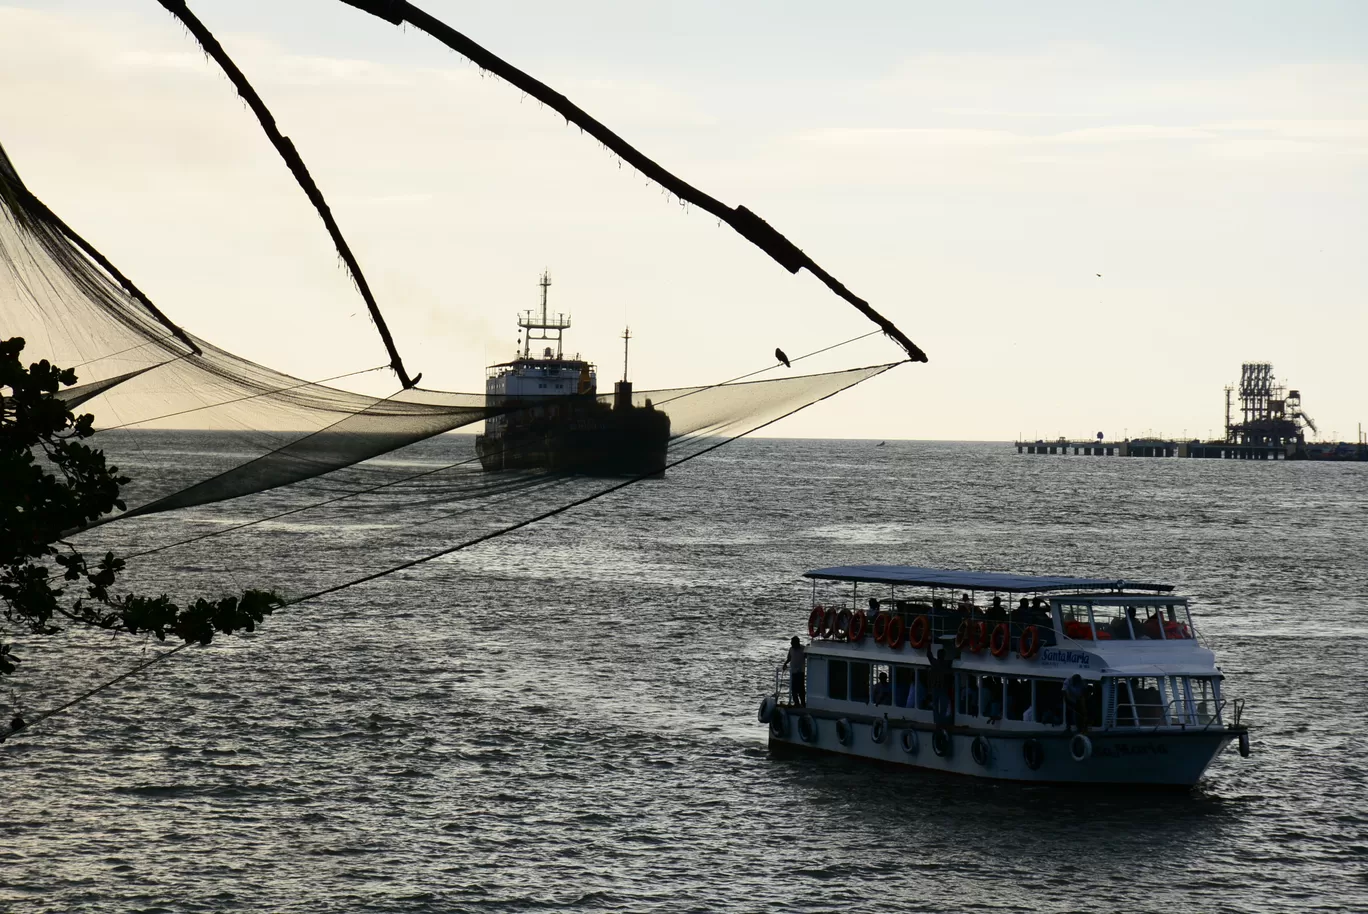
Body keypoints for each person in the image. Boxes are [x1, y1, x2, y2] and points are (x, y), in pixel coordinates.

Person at [783, 636, 806, 706]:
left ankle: (803, 703)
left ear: (797, 643)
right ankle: (796, 703)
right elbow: (789, 658)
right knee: (794, 689)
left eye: (792, 643)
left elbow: (808, 657)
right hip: (793, 672)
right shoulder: (791, 649)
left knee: (801, 689)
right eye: (791, 642)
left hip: (800, 672)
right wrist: (785, 664)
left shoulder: (803, 649)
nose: (791, 644)